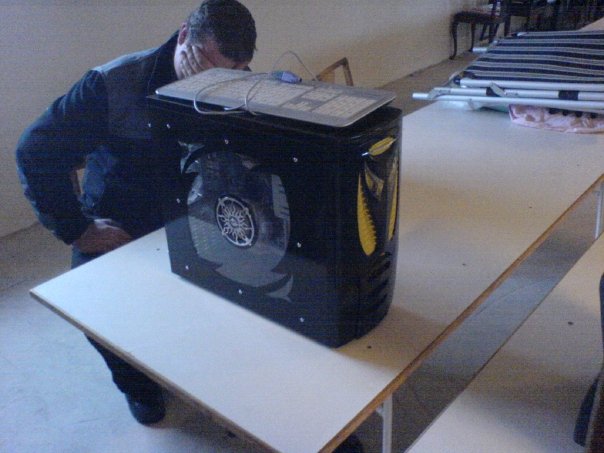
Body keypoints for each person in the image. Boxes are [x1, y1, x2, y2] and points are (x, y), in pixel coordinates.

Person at [16, 0, 256, 425]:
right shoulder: (114, 84)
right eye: (207, 64)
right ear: (184, 36)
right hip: (122, 217)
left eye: (233, 71)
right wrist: (77, 229)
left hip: (192, 210)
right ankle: (138, 386)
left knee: (247, 293)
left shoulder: (234, 79)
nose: (216, 80)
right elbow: (35, 152)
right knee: (95, 308)